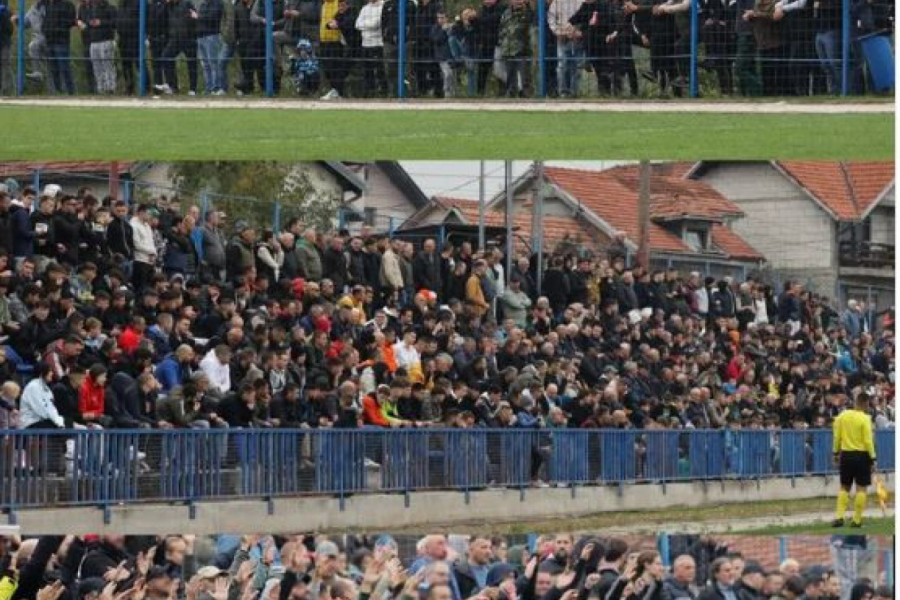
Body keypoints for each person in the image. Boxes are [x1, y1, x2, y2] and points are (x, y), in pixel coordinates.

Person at [831, 391, 876, 527]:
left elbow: (837, 436)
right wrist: (873, 458)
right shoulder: (865, 418)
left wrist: (835, 452)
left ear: (855, 402)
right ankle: (856, 520)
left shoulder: (842, 416)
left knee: (844, 486)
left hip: (846, 455)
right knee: (861, 488)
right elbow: (868, 441)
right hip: (861, 456)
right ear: (866, 404)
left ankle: (839, 517)